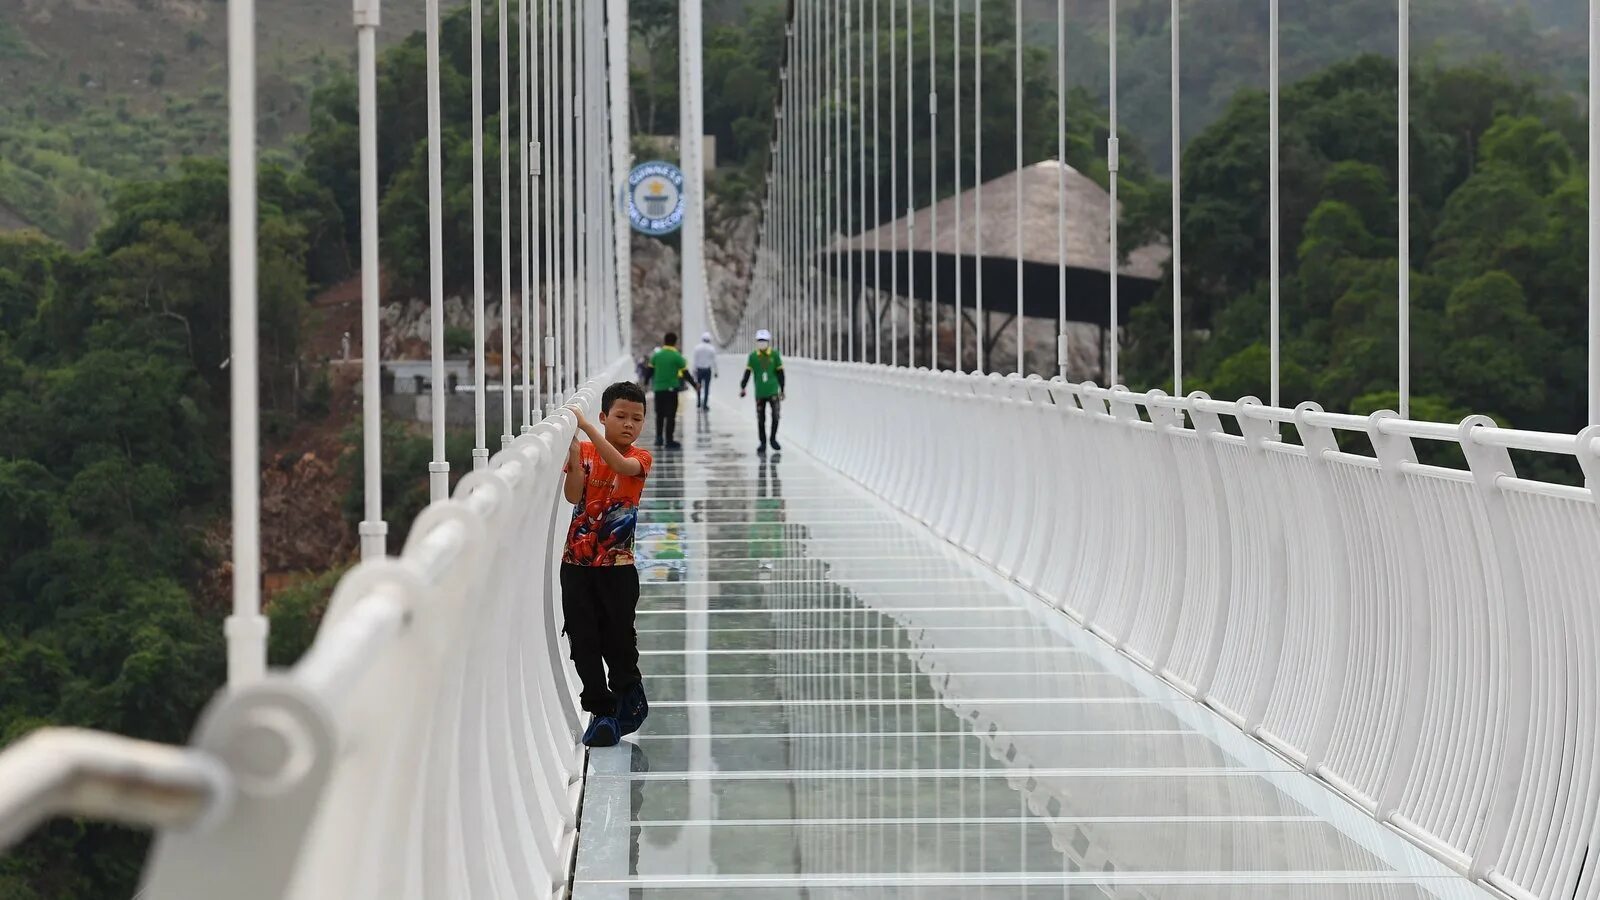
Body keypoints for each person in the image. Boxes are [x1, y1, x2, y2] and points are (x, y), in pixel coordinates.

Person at [562, 382, 654, 748]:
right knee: (583, 639)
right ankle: (601, 713)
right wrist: (572, 456)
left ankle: (629, 691)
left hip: (618, 567)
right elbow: (572, 495)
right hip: (577, 564)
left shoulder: (641, 459)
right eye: (620, 417)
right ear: (605, 417)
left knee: (618, 638)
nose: (628, 424)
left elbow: (619, 464)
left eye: (637, 418)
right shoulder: (584, 453)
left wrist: (585, 429)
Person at [740, 329, 785, 454]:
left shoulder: (775, 355)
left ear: (768, 342)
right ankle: (763, 442)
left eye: (764, 341)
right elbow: (747, 373)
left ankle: (773, 439)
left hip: (773, 391)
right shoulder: (753, 356)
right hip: (760, 392)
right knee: (761, 418)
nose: (762, 343)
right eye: (760, 341)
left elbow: (781, 373)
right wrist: (743, 386)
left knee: (776, 415)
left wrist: (782, 388)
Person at [649, 333, 697, 449]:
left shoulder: (656, 356)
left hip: (658, 390)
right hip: (671, 391)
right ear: (675, 342)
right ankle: (669, 440)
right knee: (671, 415)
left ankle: (659, 438)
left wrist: (645, 383)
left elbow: (649, 372)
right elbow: (685, 374)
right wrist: (695, 385)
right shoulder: (677, 356)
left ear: (664, 341)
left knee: (659, 414)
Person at [691, 332, 717, 410]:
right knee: (706, 388)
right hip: (707, 370)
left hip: (699, 370)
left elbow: (695, 360)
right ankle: (705, 404)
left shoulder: (697, 348)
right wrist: (716, 371)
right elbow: (714, 361)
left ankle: (699, 402)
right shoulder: (711, 348)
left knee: (698, 386)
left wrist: (693, 371)